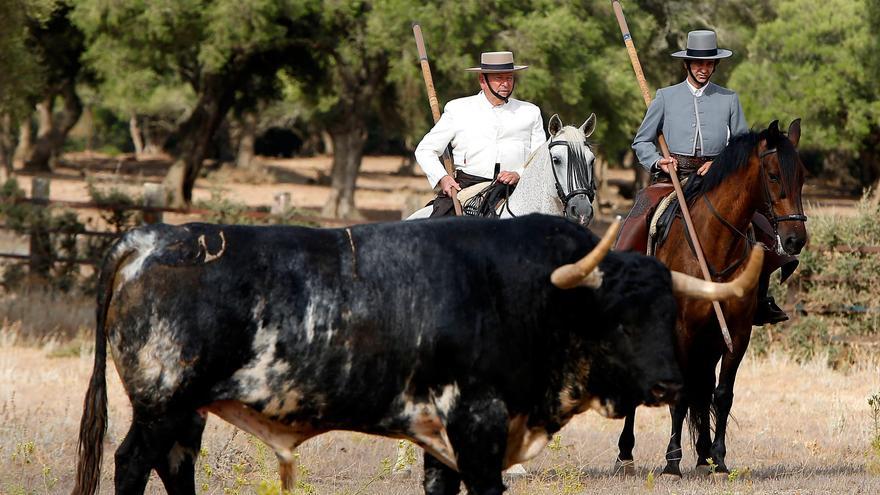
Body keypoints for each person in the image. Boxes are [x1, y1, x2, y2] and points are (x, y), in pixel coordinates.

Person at [619, 30, 795, 325]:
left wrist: (717, 163)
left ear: (715, 66)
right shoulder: (665, 97)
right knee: (641, 216)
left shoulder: (728, 98)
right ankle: (621, 285)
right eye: (697, 63)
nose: (703, 69)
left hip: (719, 179)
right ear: (687, 65)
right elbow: (641, 142)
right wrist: (659, 162)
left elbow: (742, 145)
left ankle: (761, 298)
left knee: (760, 225)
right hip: (672, 176)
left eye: (709, 63)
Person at [414, 51, 545, 217]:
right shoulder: (458, 109)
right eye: (499, 78)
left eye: (509, 78)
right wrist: (443, 178)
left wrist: (519, 174)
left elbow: (540, 157)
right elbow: (425, 150)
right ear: (482, 80)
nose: (505, 84)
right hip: (467, 190)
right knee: (437, 233)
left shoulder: (530, 112)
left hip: (518, 190)